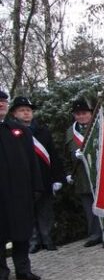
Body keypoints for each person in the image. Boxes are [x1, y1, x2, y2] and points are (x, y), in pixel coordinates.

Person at [10, 97, 65, 253]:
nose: (26, 113)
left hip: (44, 177)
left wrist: (58, 178)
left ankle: (47, 239)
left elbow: (53, 156)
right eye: (22, 110)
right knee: (29, 212)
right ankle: (34, 241)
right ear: (14, 113)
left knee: (45, 211)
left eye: (28, 110)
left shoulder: (43, 131)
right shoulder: (11, 133)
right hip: (24, 180)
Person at [1, 94, 43, 280]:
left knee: (22, 231)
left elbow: (32, 161)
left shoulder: (19, 130)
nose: (1, 104)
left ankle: (23, 269)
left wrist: (36, 186)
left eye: (3, 102)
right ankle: (2, 272)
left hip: (20, 191)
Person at [65, 98, 104, 248]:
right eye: (78, 114)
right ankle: (95, 234)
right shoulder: (70, 132)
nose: (81, 116)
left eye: (85, 113)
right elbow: (65, 155)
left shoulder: (101, 128)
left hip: (101, 174)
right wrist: (69, 172)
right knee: (89, 208)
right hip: (81, 176)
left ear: (91, 113)